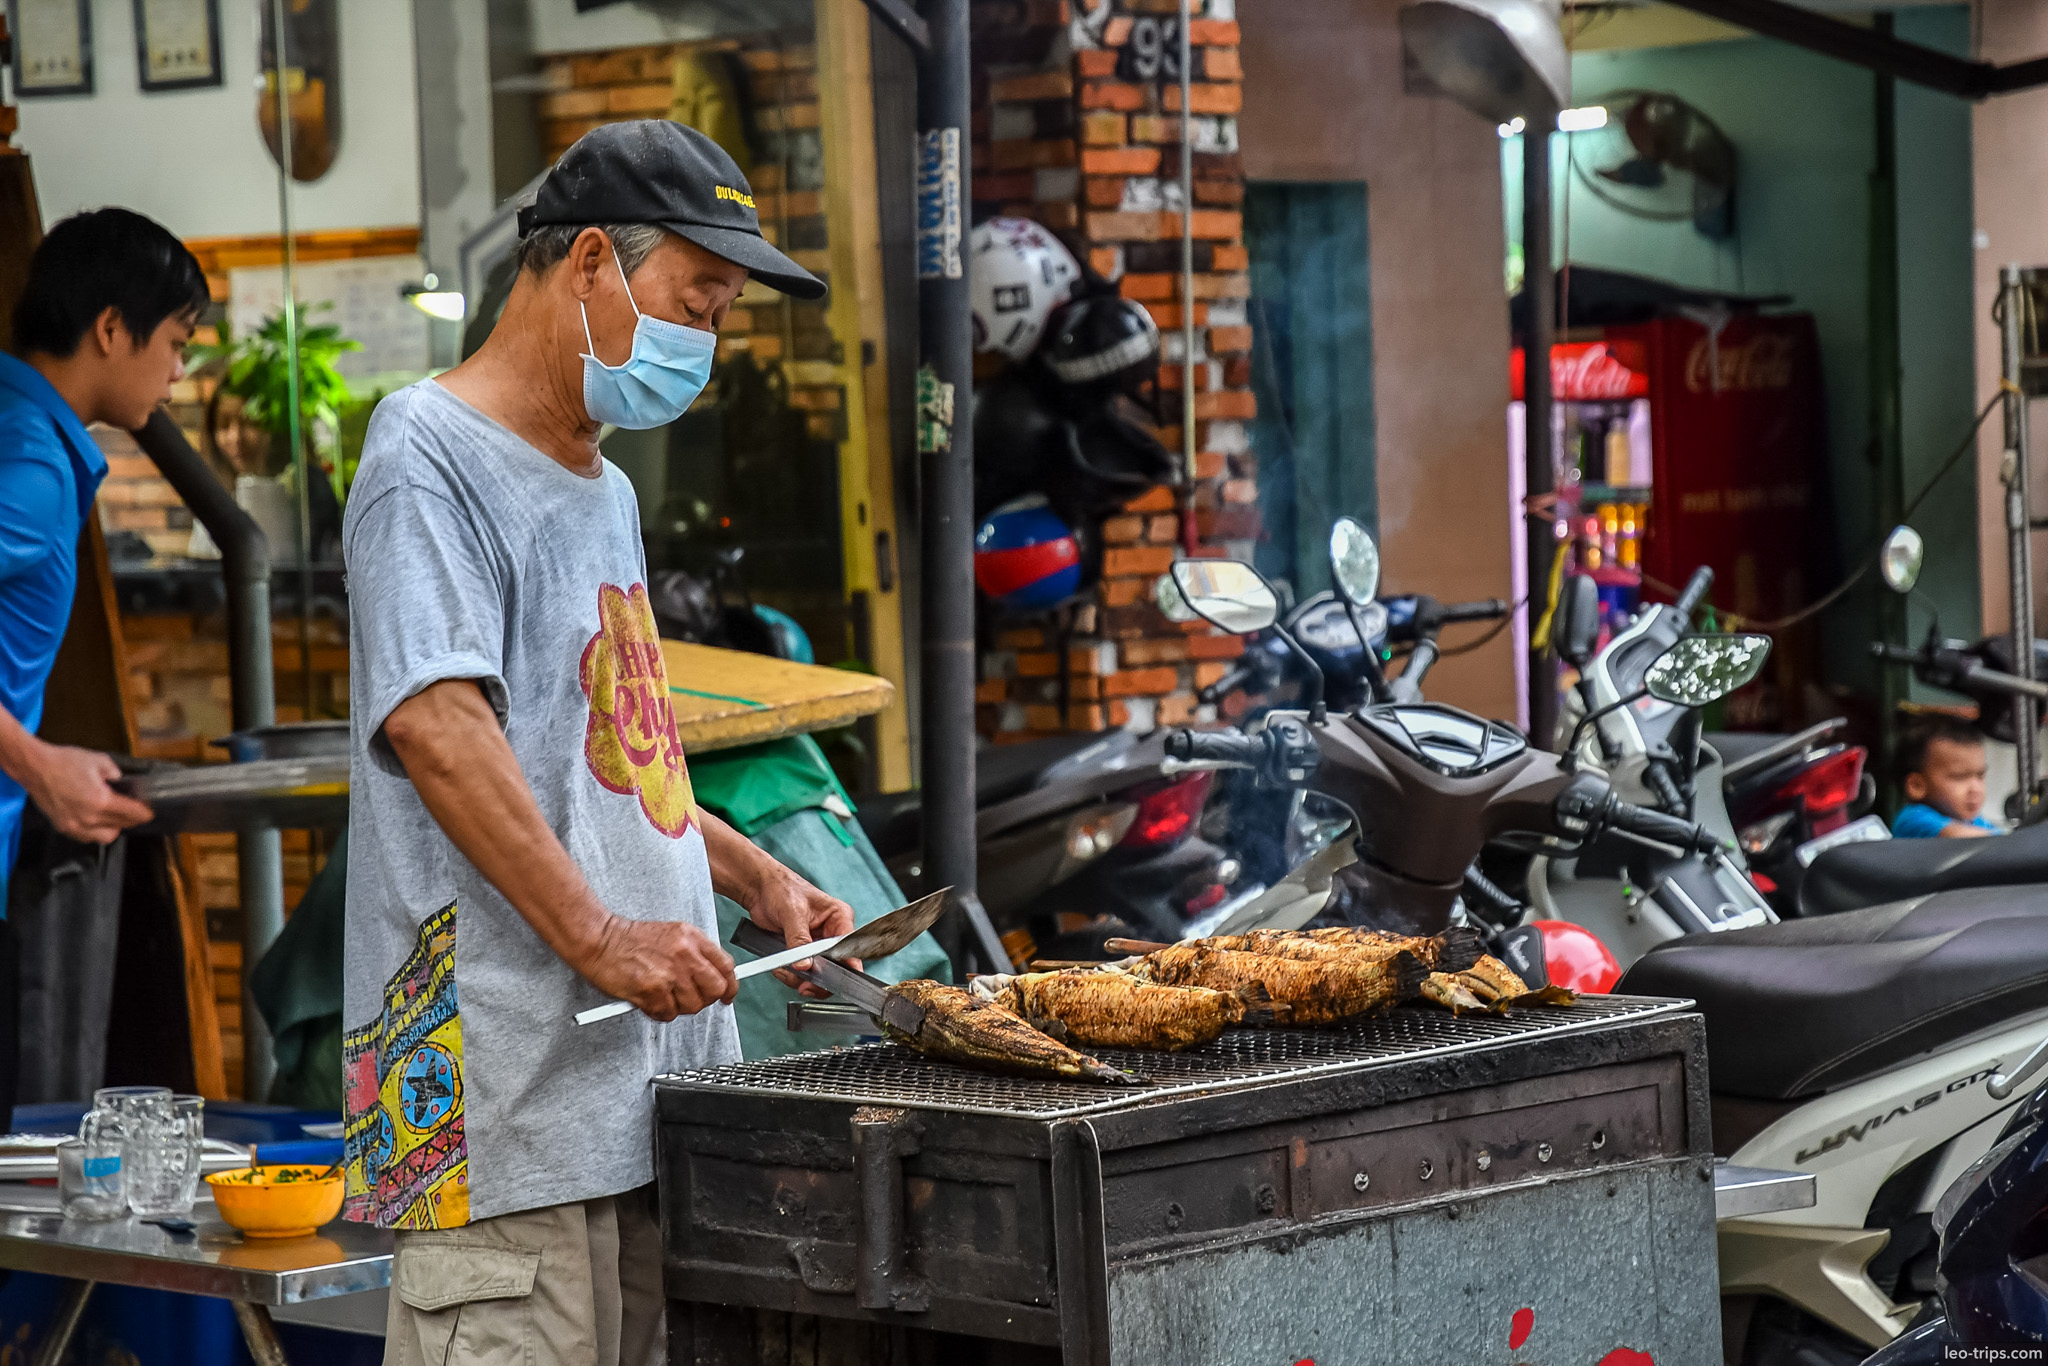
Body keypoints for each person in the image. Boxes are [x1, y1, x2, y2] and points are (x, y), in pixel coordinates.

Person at [341, 120, 850, 1366]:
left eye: (722, 313)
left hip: (639, 1091)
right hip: (496, 1112)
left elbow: (612, 750)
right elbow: (437, 726)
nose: (706, 343)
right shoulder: (424, 457)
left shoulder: (604, 485)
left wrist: (749, 872)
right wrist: (602, 936)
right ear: (586, 265)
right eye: (696, 301)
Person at [0, 210, 186, 1123]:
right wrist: (39, 766)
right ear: (112, 329)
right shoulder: (28, 464)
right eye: (177, 340)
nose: (179, 370)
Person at [1891, 715, 2003, 838]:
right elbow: (1959, 837)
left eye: (1980, 776)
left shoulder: (1975, 821)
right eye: (1960, 777)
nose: (1975, 789)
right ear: (1917, 786)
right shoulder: (1914, 819)